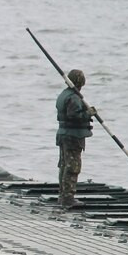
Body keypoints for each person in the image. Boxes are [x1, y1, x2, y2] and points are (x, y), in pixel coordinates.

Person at [56, 69, 95, 209]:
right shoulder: (74, 97)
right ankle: (68, 197)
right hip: (73, 136)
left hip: (64, 134)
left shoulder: (64, 94)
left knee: (64, 165)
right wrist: (88, 113)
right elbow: (74, 115)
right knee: (72, 167)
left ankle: (63, 195)